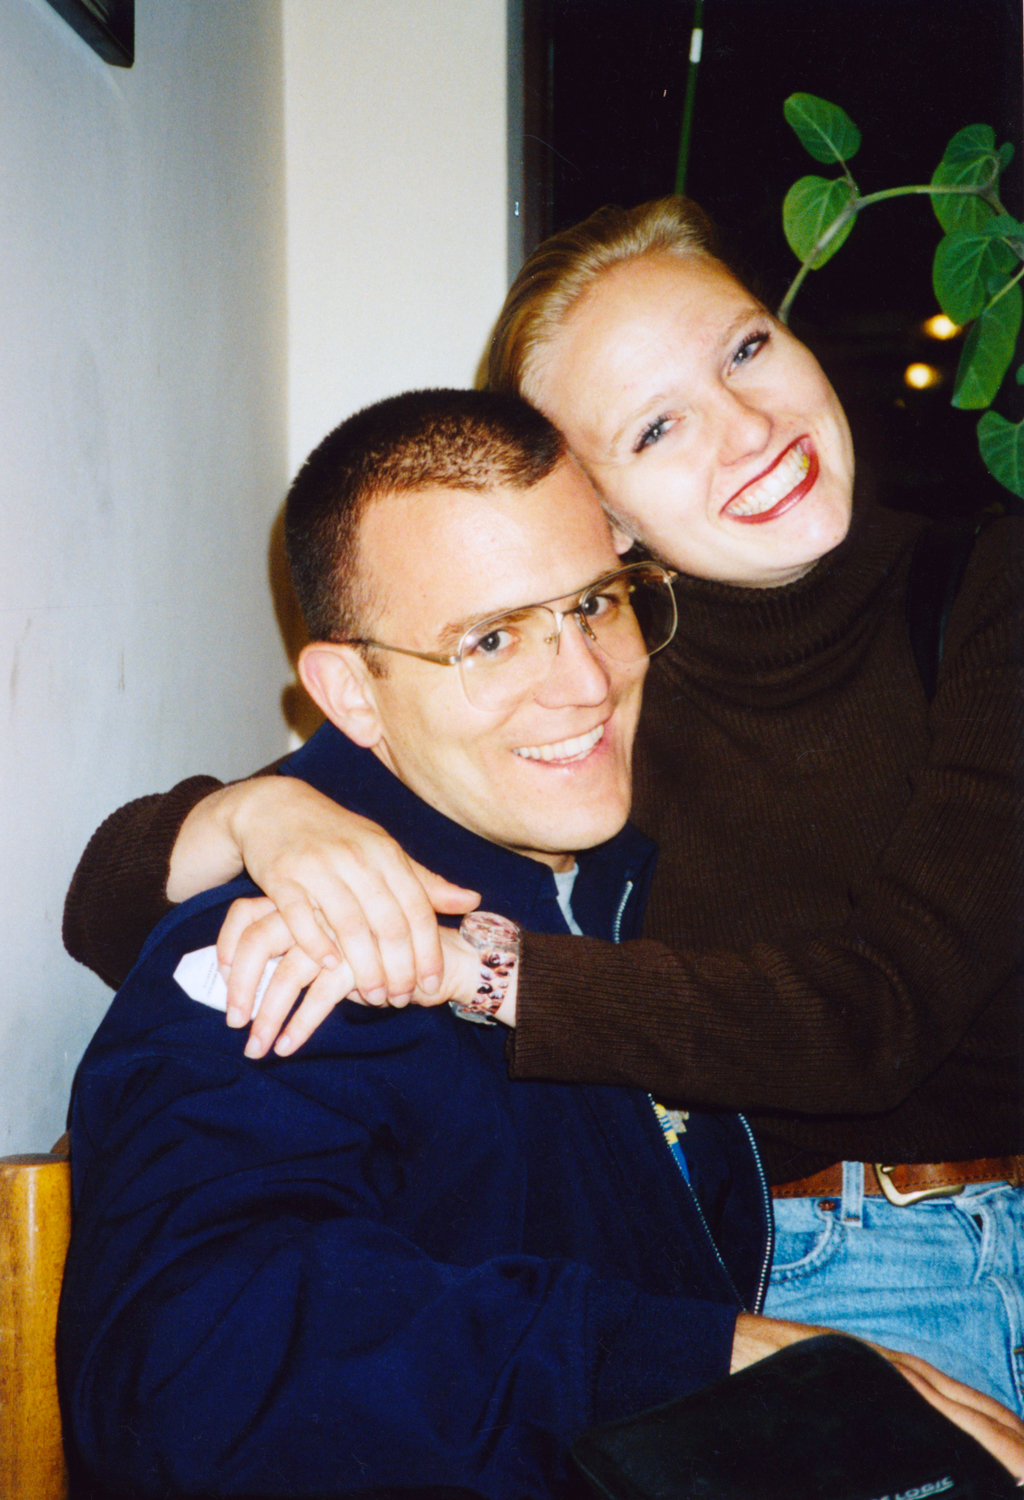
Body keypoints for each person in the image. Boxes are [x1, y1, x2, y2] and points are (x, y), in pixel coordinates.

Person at [64, 199, 1024, 1415]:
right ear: (599, 511)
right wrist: (261, 821)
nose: (748, 426)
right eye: (657, 426)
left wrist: (465, 966)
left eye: (745, 349)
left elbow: (882, 1009)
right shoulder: (596, 685)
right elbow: (116, 913)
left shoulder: (963, 593)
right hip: (824, 1261)